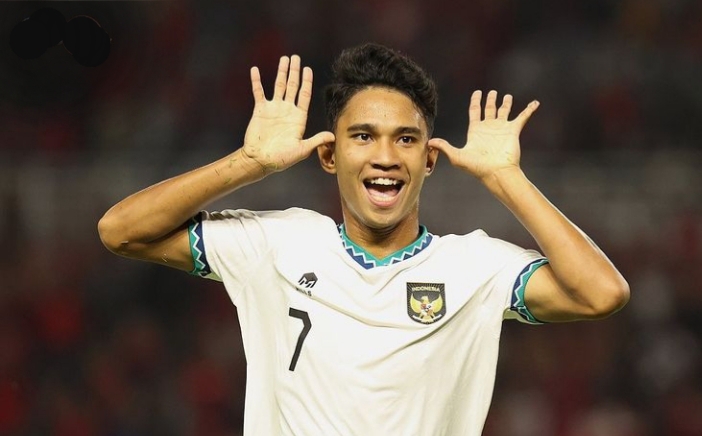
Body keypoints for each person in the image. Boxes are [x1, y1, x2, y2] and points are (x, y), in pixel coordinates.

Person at [98, 43, 630, 435]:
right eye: (363, 136)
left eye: (406, 139)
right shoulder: (275, 244)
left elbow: (601, 293)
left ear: (429, 159)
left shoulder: (474, 268)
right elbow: (120, 231)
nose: (385, 156)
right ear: (330, 155)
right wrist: (249, 163)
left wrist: (505, 179)